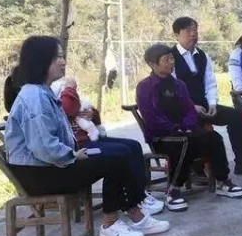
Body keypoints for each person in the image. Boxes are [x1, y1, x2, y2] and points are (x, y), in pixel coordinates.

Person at [4, 36, 169, 236]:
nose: (63, 62)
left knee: (120, 153)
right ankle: (112, 225)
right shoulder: (34, 96)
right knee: (115, 160)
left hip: (48, 166)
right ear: (41, 61)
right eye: (57, 57)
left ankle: (135, 213)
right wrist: (72, 155)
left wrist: (73, 152)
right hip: (40, 174)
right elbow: (42, 147)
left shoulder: (42, 91)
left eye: (62, 56)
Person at [136, 44, 242, 212]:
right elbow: (152, 118)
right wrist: (175, 129)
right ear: (152, 64)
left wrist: (186, 126)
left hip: (186, 132)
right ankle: (173, 190)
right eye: (166, 60)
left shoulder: (179, 85)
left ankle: (223, 182)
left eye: (172, 58)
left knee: (213, 137)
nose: (171, 62)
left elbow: (189, 110)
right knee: (185, 142)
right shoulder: (145, 87)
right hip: (162, 136)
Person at [51, 77, 164, 215]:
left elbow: (91, 114)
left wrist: (92, 114)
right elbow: (68, 108)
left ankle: (140, 194)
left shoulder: (66, 89)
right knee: (122, 152)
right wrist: (70, 88)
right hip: (79, 146)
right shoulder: (53, 91)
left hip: (92, 138)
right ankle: (132, 201)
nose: (62, 65)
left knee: (134, 145)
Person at [171, 16, 242, 175]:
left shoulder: (203, 56)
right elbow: (172, 90)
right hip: (184, 109)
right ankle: (197, 169)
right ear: (176, 35)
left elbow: (210, 82)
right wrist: (191, 107)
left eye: (195, 30)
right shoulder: (170, 58)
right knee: (200, 130)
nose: (193, 34)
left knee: (236, 115)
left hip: (204, 104)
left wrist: (213, 104)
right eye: (188, 31)